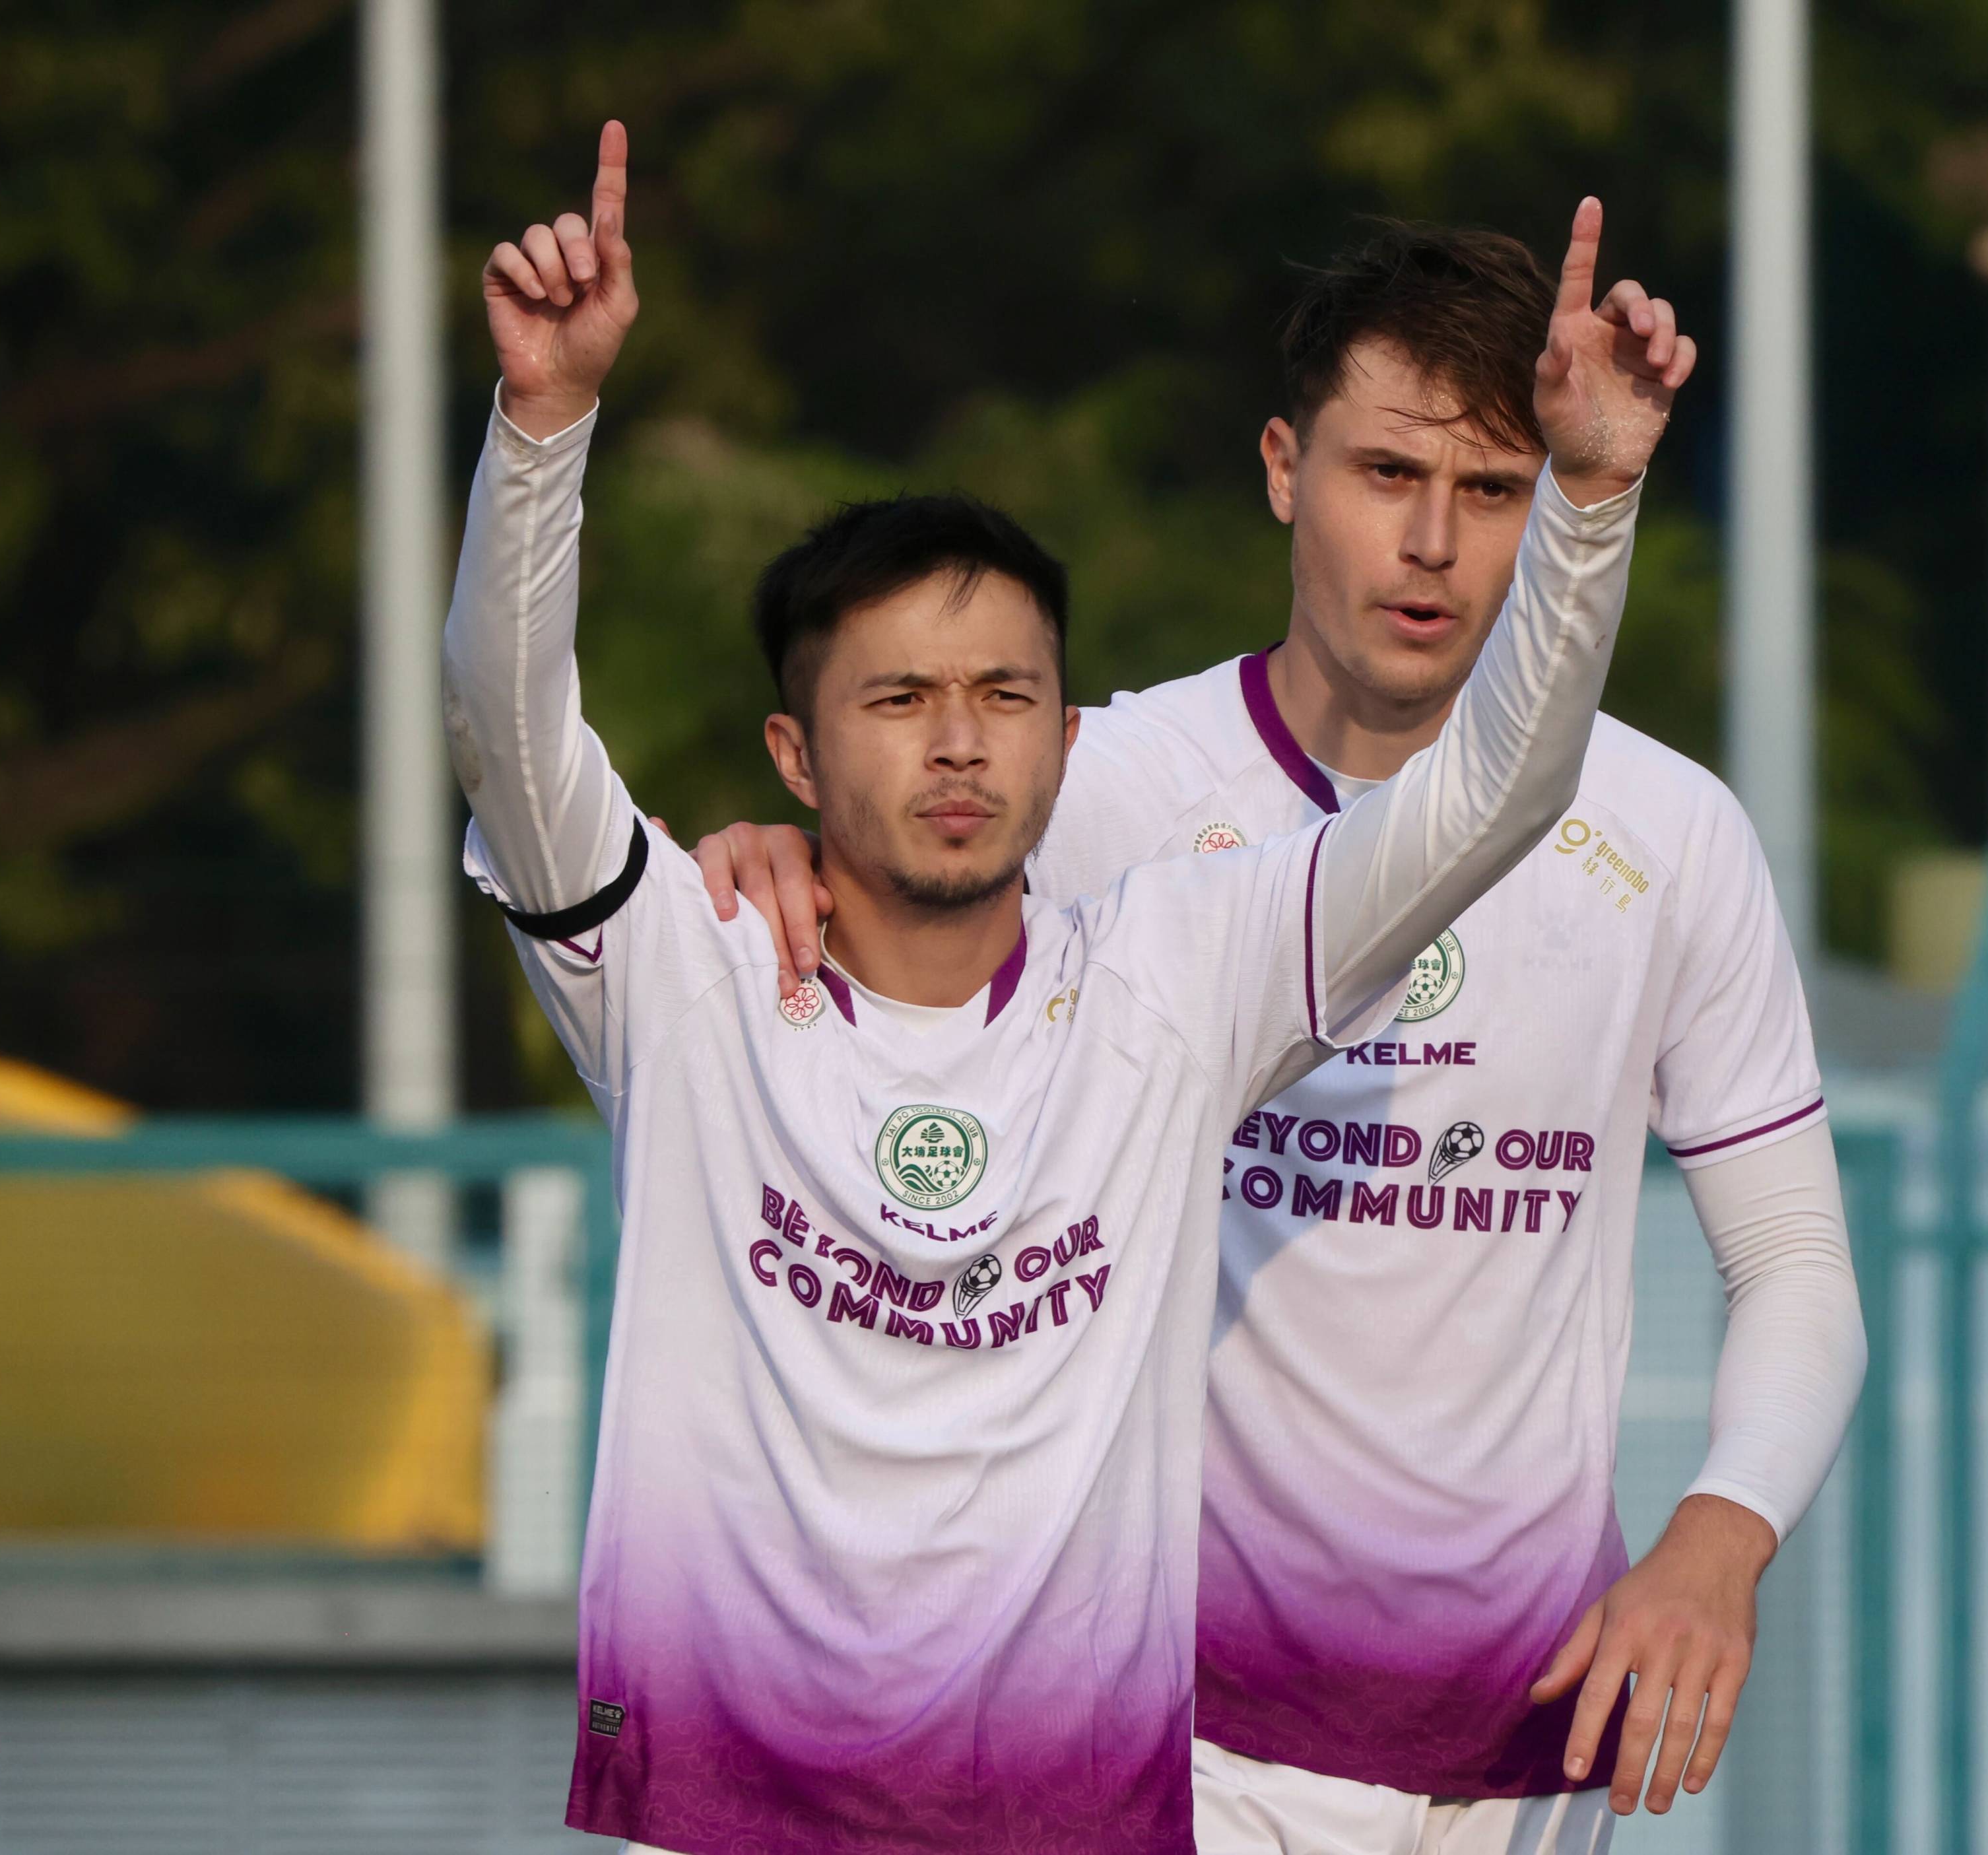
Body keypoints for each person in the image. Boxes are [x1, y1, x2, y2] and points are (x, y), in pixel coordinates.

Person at [448, 123, 1690, 1855]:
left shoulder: (1180, 985)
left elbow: (1493, 799)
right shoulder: (685, 975)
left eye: (1006, 696)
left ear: (1066, 736)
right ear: (794, 752)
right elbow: (506, 730)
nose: (960, 743)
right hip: (730, 1810)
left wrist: (1588, 504)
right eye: (900, 701)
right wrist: (543, 425)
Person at [696, 220, 1867, 1854]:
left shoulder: (1669, 832)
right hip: (1175, 1736)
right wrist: (777, 860)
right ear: (1278, 469)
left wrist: (1717, 1538)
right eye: (1385, 473)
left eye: (1493, 491)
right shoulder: (1099, 794)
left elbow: (1796, 1263)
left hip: (1528, 1752)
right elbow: (874, 954)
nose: (1431, 543)